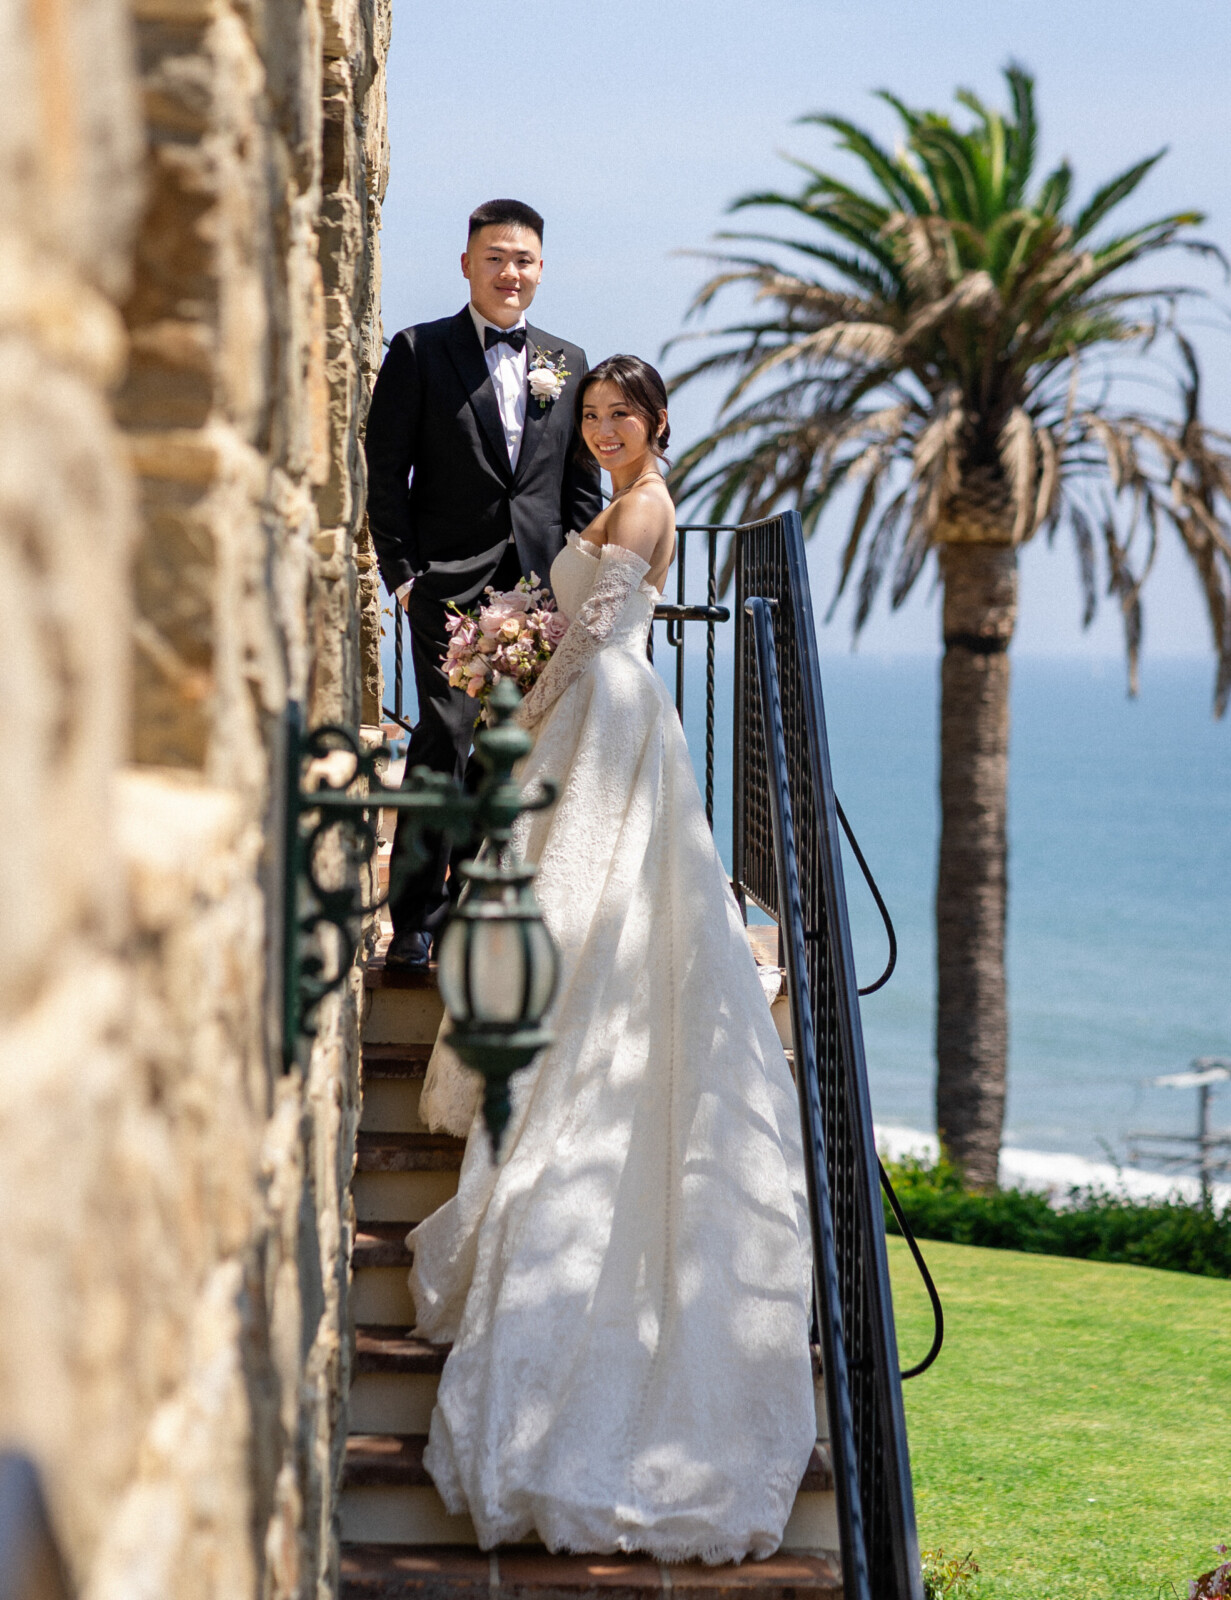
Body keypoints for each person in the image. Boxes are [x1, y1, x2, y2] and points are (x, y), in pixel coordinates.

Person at [409, 357, 816, 1563]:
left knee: (582, 918)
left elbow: (588, 637)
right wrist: (510, 654)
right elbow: (558, 621)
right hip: (594, 711)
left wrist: (518, 697)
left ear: (656, 425)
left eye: (618, 418)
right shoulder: (611, 498)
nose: (602, 432)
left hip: (610, 716)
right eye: (589, 417)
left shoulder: (645, 505)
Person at [364, 199, 602, 970]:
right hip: (447, 589)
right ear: (467, 264)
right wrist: (403, 577)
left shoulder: (566, 361)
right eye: (495, 257)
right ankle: (415, 925)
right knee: (443, 740)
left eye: (524, 259)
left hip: (537, 593)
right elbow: (384, 473)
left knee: (512, 751)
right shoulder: (419, 350)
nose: (510, 272)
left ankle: (478, 912)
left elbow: (576, 485)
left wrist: (577, 578)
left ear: (541, 269)